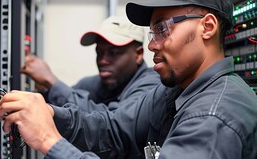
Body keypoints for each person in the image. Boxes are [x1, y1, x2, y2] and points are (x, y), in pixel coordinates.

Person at [0, 0, 257, 159]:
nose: (152, 46)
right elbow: (113, 130)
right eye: (152, 33)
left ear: (207, 27)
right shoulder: (175, 92)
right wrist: (48, 114)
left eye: (162, 29)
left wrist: (48, 141)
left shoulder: (214, 116)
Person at [20, 15, 159, 112]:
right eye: (99, 52)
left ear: (138, 54)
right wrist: (43, 89)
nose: (103, 60)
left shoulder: (152, 86)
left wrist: (50, 80)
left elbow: (110, 122)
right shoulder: (91, 84)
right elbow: (63, 106)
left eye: (114, 53)